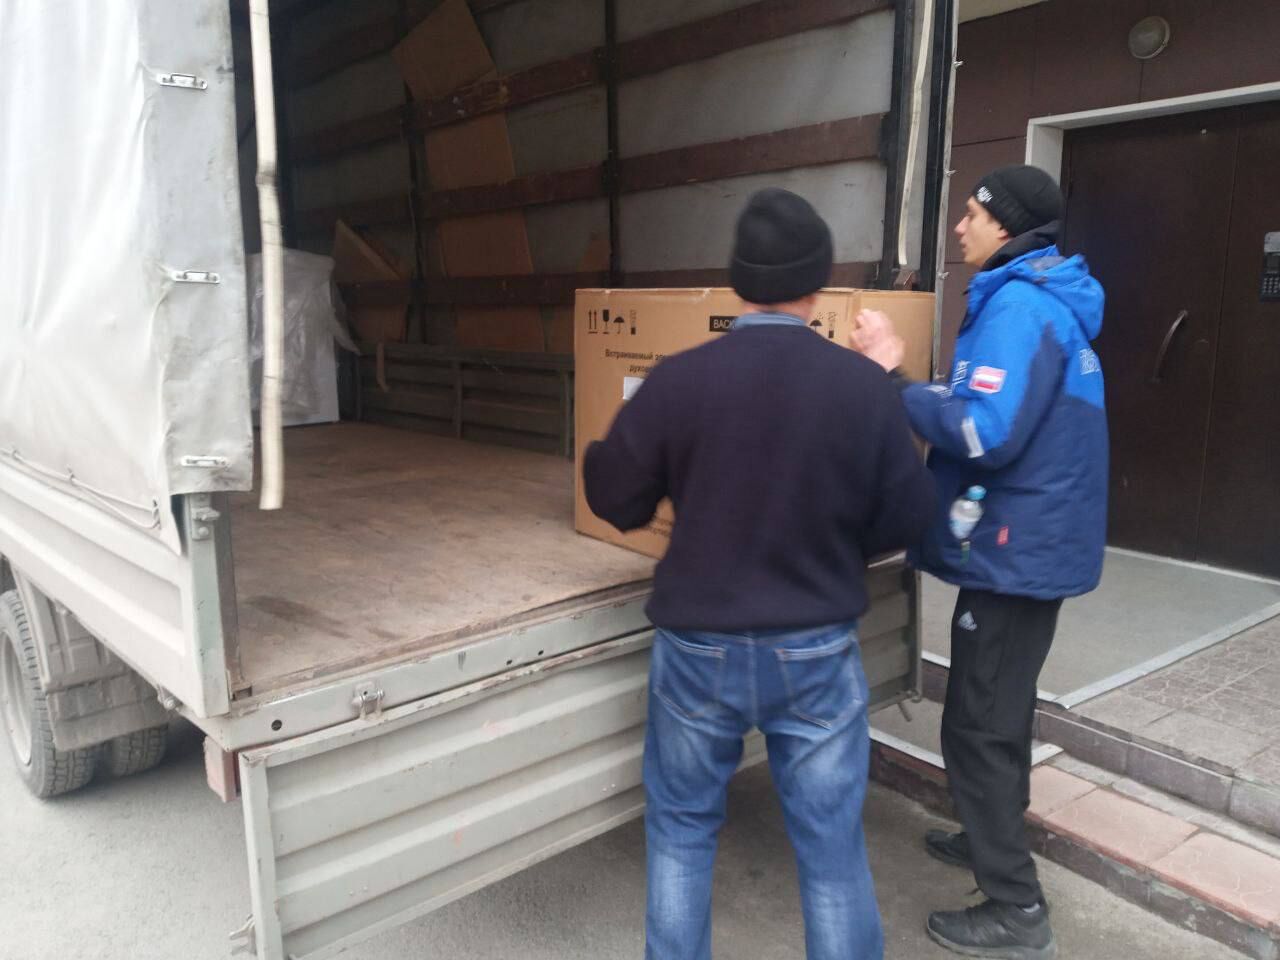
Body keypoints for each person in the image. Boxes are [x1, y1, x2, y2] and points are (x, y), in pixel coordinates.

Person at [583, 188, 936, 960]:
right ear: (818, 283)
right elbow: (910, 516)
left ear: (738, 280)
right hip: (815, 645)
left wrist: (610, 459)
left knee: (681, 833)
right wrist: (836, 540)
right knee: (831, 850)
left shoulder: (680, 380)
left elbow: (614, 497)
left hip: (697, 646)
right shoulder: (860, 387)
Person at [853, 164, 1107, 960]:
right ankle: (987, 832)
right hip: (1029, 545)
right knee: (1001, 708)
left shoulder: (1020, 307)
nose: (959, 226)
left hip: (1015, 552)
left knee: (977, 724)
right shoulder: (1040, 300)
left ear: (1007, 226)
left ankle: (1015, 906)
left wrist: (894, 380)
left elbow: (983, 432)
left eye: (972, 213)